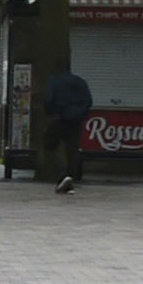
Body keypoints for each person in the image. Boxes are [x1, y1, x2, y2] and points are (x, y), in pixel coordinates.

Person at [46, 65, 96, 193]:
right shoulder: (80, 81)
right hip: (76, 121)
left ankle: (62, 175)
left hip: (60, 119)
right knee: (73, 150)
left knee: (49, 146)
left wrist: (52, 113)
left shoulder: (54, 80)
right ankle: (70, 180)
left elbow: (49, 100)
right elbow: (88, 101)